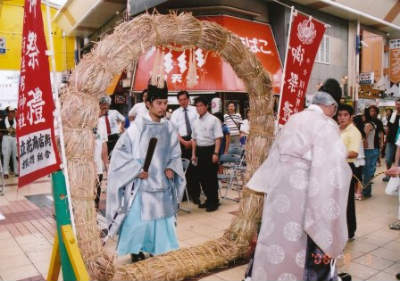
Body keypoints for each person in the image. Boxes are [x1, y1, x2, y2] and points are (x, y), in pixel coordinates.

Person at [245, 79, 351, 280]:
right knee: (303, 244)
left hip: (280, 192)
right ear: (332, 106)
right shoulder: (326, 125)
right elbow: (332, 170)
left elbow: (274, 158)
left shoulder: (293, 119)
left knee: (276, 240)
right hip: (305, 194)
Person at [106, 80, 185, 262]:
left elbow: (175, 152)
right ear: (148, 104)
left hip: (162, 183)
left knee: (161, 219)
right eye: (159, 103)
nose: (162, 107)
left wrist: (171, 167)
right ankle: (136, 249)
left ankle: (158, 247)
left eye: (165, 103)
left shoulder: (170, 127)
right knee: (137, 221)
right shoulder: (137, 128)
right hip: (141, 182)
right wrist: (135, 169)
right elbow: (120, 153)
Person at [191, 97, 223, 212]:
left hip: (210, 150)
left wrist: (216, 153)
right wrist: (193, 154)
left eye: (201, 105)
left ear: (206, 106)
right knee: (202, 178)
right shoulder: (195, 121)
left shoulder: (214, 120)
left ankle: (214, 201)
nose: (199, 108)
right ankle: (208, 199)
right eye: (197, 106)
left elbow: (218, 138)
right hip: (199, 151)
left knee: (211, 178)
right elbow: (194, 139)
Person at [170, 90, 200, 204]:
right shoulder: (175, 113)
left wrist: (192, 141)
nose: (182, 102)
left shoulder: (195, 110)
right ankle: (183, 194)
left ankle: (195, 195)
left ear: (188, 99)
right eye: (180, 100)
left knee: (195, 169)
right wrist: (183, 142)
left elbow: (198, 126)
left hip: (195, 140)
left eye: (184, 99)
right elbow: (173, 131)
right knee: (182, 170)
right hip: (181, 143)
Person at [338, 104, 362, 239]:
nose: (342, 118)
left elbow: (354, 153)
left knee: (347, 201)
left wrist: (336, 153)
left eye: (345, 115)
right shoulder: (337, 129)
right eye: (340, 115)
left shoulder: (354, 132)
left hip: (347, 168)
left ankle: (350, 230)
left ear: (351, 117)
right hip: (335, 167)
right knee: (338, 200)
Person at [362, 106, 383, 198]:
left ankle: (366, 192)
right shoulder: (372, 123)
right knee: (368, 171)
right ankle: (366, 191)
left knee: (366, 172)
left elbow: (365, 138)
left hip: (369, 150)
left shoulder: (368, 124)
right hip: (372, 149)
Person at [94, 113, 109, 210]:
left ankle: (95, 212)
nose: (104, 112)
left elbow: (104, 144)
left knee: (96, 195)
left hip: (98, 165)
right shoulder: (81, 118)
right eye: (103, 108)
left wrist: (107, 164)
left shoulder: (102, 121)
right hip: (84, 167)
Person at [385, 100, 400, 180]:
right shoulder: (392, 115)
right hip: (390, 140)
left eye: (399, 104)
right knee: (388, 159)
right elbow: (388, 127)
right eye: (397, 104)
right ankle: (388, 174)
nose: (398, 106)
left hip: (399, 141)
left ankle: (397, 175)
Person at [1, 106, 17, 179]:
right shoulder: (2, 121)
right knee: (6, 155)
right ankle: (6, 172)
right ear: (8, 113)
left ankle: (16, 171)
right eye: (11, 112)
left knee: (16, 155)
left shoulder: (17, 120)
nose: (13, 113)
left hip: (15, 138)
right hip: (6, 138)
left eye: (14, 111)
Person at [352, 115, 366, 200]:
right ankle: (358, 193)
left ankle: (357, 193)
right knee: (358, 176)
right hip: (360, 157)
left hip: (355, 157)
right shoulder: (361, 132)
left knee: (355, 177)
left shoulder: (354, 132)